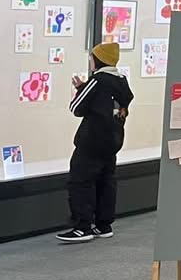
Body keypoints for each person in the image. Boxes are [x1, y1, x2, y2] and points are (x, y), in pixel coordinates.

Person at [56, 41, 134, 244]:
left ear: (98, 60)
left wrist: (81, 89)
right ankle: (103, 224)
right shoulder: (122, 81)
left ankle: (82, 227)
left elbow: (76, 108)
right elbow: (110, 104)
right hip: (113, 140)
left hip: (91, 141)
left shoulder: (97, 80)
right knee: (106, 181)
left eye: (91, 58)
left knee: (80, 182)